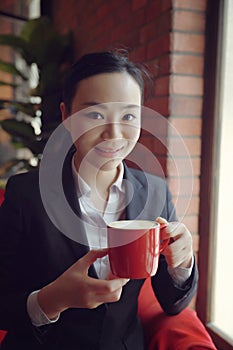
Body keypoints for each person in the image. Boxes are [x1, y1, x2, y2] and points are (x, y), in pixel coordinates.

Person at [0, 51, 202, 350]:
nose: (114, 133)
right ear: (67, 116)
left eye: (129, 116)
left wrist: (182, 263)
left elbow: (172, 305)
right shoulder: (26, 194)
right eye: (94, 114)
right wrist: (52, 299)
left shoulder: (156, 192)